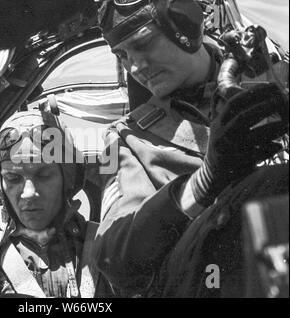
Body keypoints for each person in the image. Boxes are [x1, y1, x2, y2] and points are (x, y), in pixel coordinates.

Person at [92, 0, 289, 297]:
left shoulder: (274, 80)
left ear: (183, 23)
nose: (134, 66)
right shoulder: (124, 139)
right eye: (122, 56)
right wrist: (205, 182)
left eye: (143, 43)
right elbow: (114, 257)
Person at [0, 110, 115, 298]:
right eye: (13, 178)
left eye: (44, 175)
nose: (29, 193)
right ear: (1, 185)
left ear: (68, 180)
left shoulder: (113, 248)